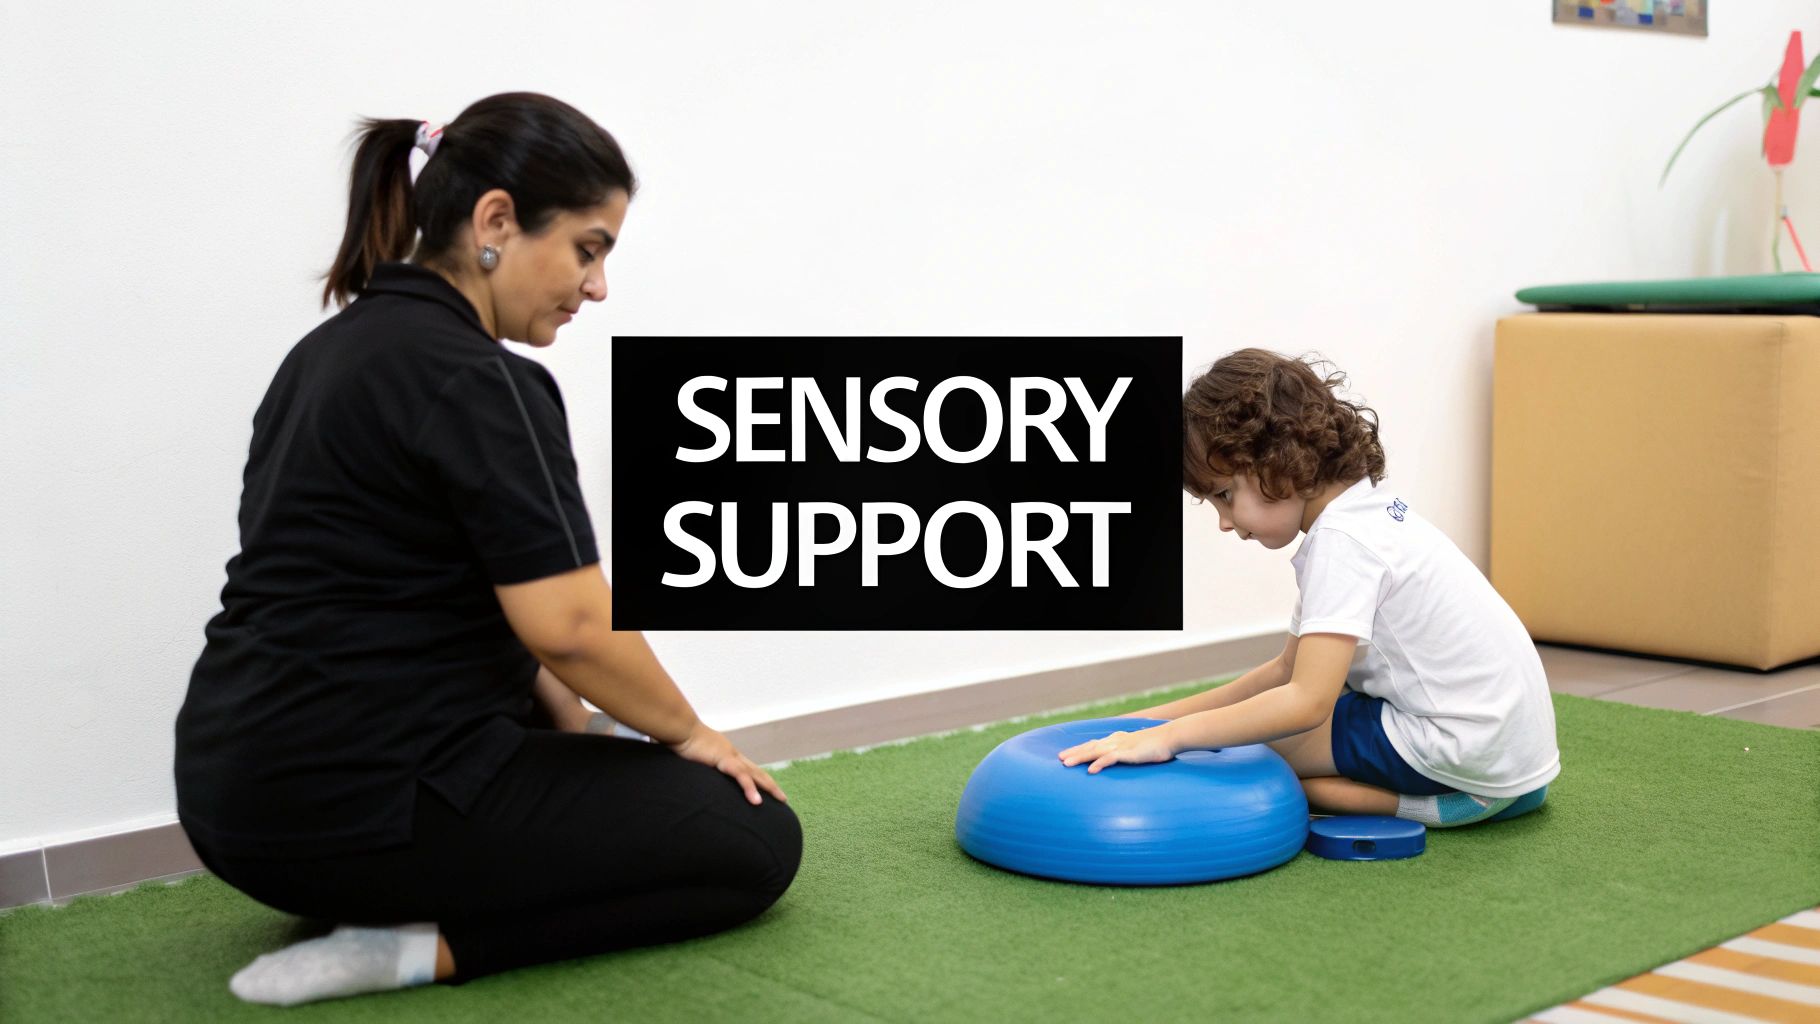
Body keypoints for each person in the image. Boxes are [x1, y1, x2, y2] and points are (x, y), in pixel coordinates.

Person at [173, 92, 801, 1007]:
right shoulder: (483, 380)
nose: (596, 287)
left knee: (609, 761)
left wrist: (586, 738)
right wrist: (695, 738)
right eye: (588, 249)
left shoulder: (324, 356)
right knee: (752, 840)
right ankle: (425, 951)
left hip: (231, 801)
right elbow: (574, 628)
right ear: (496, 220)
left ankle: (381, 903)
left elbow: (480, 604)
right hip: (367, 806)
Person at [1058, 348, 1558, 827]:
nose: (1225, 523)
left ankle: (1436, 802)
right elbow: (1285, 671)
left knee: (1240, 751)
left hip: (1462, 746)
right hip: (1508, 749)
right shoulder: (1364, 515)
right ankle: (1470, 794)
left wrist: (1172, 740)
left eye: (1226, 496)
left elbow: (1304, 701)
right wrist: (1147, 722)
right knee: (1241, 734)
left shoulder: (1344, 543)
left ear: (1279, 460)